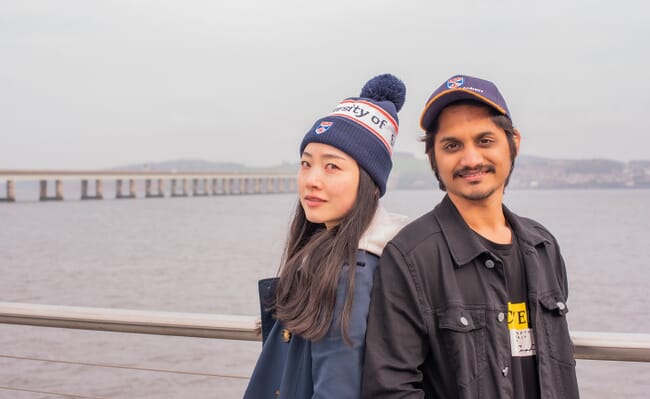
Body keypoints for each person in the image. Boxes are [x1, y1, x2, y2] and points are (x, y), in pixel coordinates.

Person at [361, 75, 580, 398]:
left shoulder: (542, 246)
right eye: (452, 145)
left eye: (485, 140)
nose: (471, 159)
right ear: (433, 156)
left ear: (513, 142)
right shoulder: (412, 256)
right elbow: (389, 389)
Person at [244, 74, 409, 399]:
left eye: (332, 167)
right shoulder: (343, 255)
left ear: (370, 184)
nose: (312, 180)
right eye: (306, 164)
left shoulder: (352, 274)